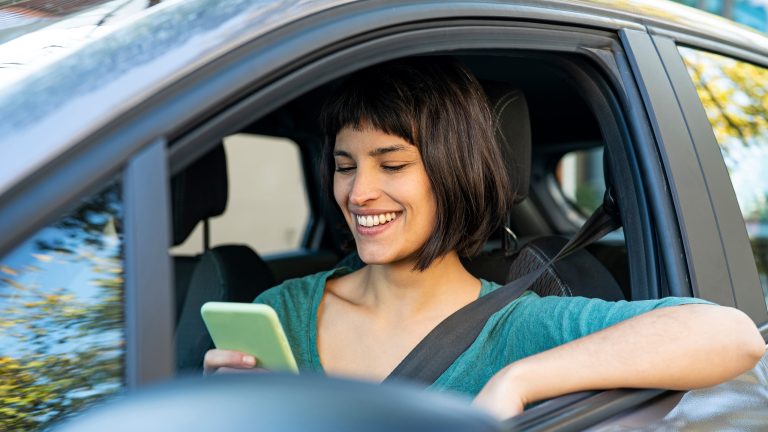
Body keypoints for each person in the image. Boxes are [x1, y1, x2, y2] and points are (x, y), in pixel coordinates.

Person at [204, 57, 765, 419]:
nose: (358, 193)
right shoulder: (281, 309)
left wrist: (516, 379)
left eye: (392, 165)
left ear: (453, 173)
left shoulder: (518, 327)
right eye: (346, 166)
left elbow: (732, 335)